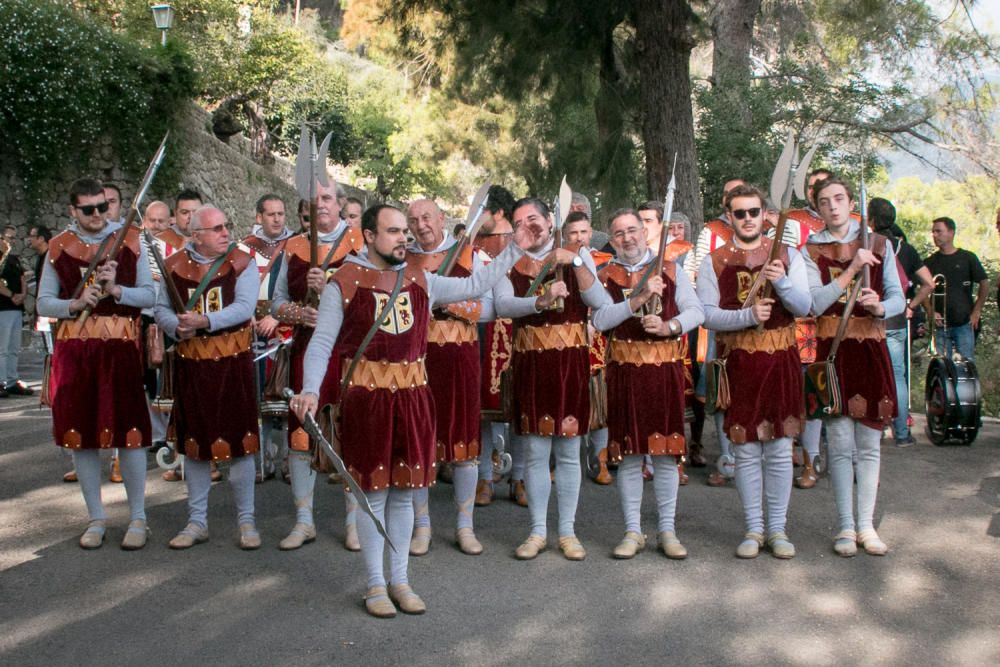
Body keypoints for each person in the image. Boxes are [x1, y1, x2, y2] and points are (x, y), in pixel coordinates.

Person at [291, 203, 538, 617]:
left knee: (405, 493)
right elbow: (321, 343)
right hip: (367, 399)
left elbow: (476, 284)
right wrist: (311, 390)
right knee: (373, 493)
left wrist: (514, 249)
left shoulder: (421, 278)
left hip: (414, 397)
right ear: (369, 235)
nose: (404, 238)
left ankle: (400, 580)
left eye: (405, 231)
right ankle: (374, 585)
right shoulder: (345, 282)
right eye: (393, 231)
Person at [494, 197, 617, 562]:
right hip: (532, 362)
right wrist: (541, 300)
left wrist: (576, 260)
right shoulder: (509, 258)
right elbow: (503, 305)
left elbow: (599, 299)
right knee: (534, 451)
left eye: (533, 219)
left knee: (568, 452)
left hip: (570, 364)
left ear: (549, 221)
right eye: (519, 222)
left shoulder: (577, 254)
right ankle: (536, 531)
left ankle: (567, 531)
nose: (527, 227)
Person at [37, 177, 155, 549]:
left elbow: (150, 296)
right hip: (76, 351)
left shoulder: (131, 240)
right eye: (87, 209)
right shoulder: (59, 247)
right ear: (73, 210)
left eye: (102, 207)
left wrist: (117, 288)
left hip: (120, 349)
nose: (97, 215)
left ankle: (138, 517)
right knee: (82, 435)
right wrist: (74, 303)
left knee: (131, 434)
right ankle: (96, 518)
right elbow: (42, 304)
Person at [698, 184, 811, 558]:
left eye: (753, 211)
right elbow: (706, 314)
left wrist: (780, 280)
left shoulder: (788, 255)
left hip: (780, 361)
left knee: (779, 448)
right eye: (739, 212)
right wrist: (746, 316)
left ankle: (777, 530)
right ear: (728, 216)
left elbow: (803, 305)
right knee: (744, 449)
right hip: (740, 363)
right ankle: (753, 529)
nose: (747, 218)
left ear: (765, 214)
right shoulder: (714, 261)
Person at [803, 177, 903, 557]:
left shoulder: (879, 243)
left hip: (871, 347)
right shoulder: (811, 250)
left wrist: (881, 306)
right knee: (841, 444)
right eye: (825, 201)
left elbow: (897, 297)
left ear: (850, 202)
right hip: (833, 349)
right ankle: (845, 525)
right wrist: (849, 271)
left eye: (839, 198)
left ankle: (866, 525)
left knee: (869, 444)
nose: (833, 206)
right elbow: (813, 302)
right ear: (818, 208)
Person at [595, 209, 703, 559]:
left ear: (645, 232)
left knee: (666, 453)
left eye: (632, 230)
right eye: (619, 233)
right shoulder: (606, 274)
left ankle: (667, 531)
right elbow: (601, 319)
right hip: (625, 370)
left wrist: (670, 326)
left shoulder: (670, 268)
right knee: (628, 454)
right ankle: (632, 531)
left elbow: (696, 311)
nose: (627, 238)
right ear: (612, 240)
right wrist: (637, 302)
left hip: (663, 371)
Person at [155, 206, 262, 550]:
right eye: (215, 228)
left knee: (242, 444)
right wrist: (177, 328)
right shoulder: (173, 268)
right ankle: (197, 521)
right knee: (196, 446)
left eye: (225, 225)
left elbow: (245, 308)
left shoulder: (242, 262)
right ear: (196, 235)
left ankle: (247, 522)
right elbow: (161, 310)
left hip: (233, 365)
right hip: (194, 366)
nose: (225, 232)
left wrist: (204, 322)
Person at [271, 180, 364, 550]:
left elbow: (373, 300)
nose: (321, 205)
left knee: (350, 434)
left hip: (347, 353)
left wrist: (330, 295)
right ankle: (304, 520)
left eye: (327, 198)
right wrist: (300, 312)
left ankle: (355, 522)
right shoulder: (293, 246)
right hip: (306, 350)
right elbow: (275, 303)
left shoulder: (361, 245)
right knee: (301, 433)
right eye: (315, 200)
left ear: (340, 203)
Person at [404, 198, 491, 556]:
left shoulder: (470, 255)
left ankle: (464, 526)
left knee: (463, 444)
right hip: (416, 359)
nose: (421, 224)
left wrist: (449, 302)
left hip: (459, 357)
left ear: (442, 218)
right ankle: (422, 526)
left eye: (427, 217)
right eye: (414, 219)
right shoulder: (403, 259)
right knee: (419, 443)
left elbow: (487, 308)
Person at [684, 178, 745, 487]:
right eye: (729, 195)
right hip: (719, 322)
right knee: (718, 389)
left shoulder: (765, 236)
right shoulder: (711, 232)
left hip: (756, 327)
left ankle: (753, 459)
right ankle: (727, 458)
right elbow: (693, 274)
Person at [869, 198, 934, 447]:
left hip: (870, 320)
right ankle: (902, 433)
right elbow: (929, 283)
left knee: (872, 374)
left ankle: (873, 429)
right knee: (898, 375)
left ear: (871, 221)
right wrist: (911, 305)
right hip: (897, 320)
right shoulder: (906, 249)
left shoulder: (867, 246)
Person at [240, 194, 295, 482]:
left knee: (284, 399)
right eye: (271, 214)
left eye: (281, 213)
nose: (277, 219)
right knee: (257, 396)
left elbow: (298, 289)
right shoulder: (244, 248)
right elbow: (236, 285)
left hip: (285, 329)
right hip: (252, 327)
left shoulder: (296, 246)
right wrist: (246, 313)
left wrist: (280, 316)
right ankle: (262, 460)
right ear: (259, 216)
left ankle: (287, 459)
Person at [474, 185, 519, 506]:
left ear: (499, 212)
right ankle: (484, 479)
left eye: (483, 210)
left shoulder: (522, 243)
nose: (477, 217)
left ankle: (521, 480)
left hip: (519, 328)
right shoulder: (472, 245)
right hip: (481, 328)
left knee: (520, 405)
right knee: (481, 406)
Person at [564, 211, 614, 485]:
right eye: (573, 233)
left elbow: (604, 299)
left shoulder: (604, 261)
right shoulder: (558, 260)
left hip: (596, 337)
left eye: (583, 232)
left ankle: (600, 460)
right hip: (569, 337)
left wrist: (594, 322)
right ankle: (564, 462)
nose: (579, 238)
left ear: (591, 232)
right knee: (570, 398)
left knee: (598, 400)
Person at [924, 216, 989, 362]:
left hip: (964, 323)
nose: (935, 235)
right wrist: (930, 310)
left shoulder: (967, 258)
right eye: (933, 232)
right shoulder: (930, 262)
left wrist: (977, 311)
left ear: (951, 232)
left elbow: (984, 283)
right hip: (941, 326)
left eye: (939, 231)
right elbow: (921, 290)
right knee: (941, 366)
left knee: (966, 366)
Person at [0, 226, 29, 398]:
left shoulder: (13, 259)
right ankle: (1, 381)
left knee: (13, 348)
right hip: (3, 307)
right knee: (2, 348)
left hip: (16, 307)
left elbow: (22, 277)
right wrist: (12, 295)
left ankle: (11, 381)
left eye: (14, 238)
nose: (12, 241)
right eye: (9, 238)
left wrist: (23, 294)